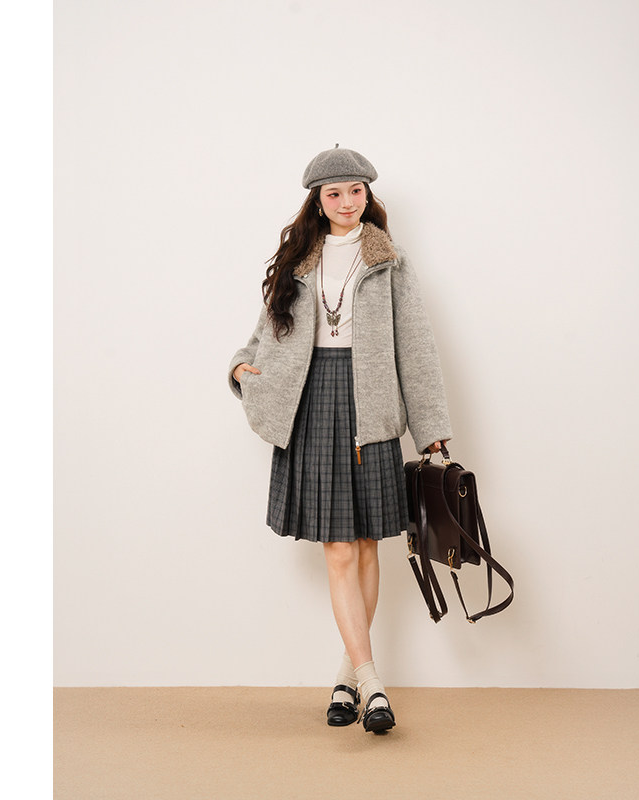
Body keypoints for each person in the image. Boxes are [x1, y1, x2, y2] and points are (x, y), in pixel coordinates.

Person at [228, 145, 452, 734]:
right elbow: (264, 333)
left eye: (356, 191)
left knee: (369, 546)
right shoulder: (298, 260)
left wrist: (431, 430)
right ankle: (373, 684)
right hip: (310, 401)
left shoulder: (389, 260)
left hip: (370, 405)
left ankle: (348, 678)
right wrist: (240, 367)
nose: (347, 202)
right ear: (317, 201)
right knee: (340, 550)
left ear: (368, 195)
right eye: (335, 193)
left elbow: (417, 348)